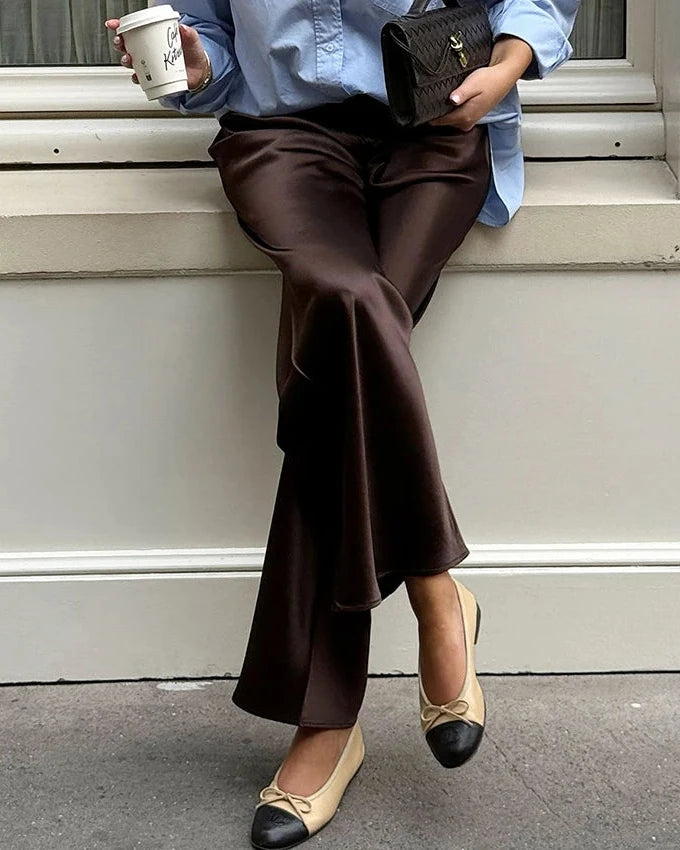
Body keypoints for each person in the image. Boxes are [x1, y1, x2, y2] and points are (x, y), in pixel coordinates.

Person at [106, 2, 579, 848]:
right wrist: (193, 59)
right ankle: (438, 590)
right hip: (283, 136)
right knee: (352, 305)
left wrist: (506, 69)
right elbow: (211, 41)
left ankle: (325, 726)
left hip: (434, 127)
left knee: (337, 373)